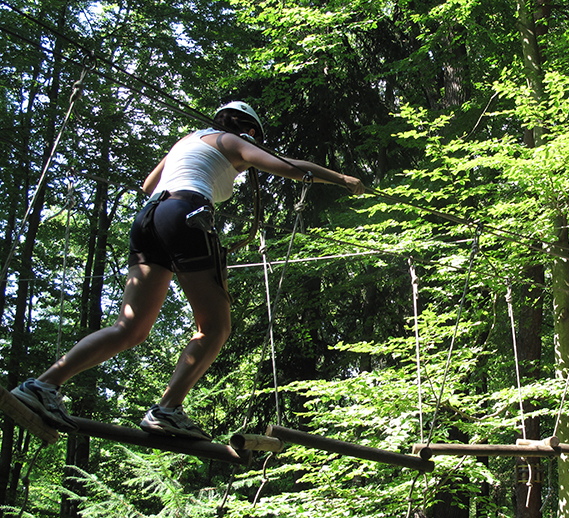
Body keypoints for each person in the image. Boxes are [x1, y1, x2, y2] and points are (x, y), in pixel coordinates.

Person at [12, 101, 365, 440]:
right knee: (216, 326)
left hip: (149, 219)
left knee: (130, 327)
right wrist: (341, 178)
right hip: (184, 213)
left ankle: (43, 385)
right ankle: (168, 409)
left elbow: (149, 186)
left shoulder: (187, 141)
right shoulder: (231, 141)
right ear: (247, 130)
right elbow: (287, 166)